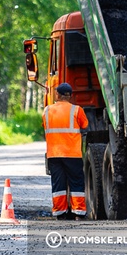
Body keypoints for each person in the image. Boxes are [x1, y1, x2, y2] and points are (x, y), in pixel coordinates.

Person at [43, 82, 89, 220]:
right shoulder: (77, 110)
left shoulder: (47, 110)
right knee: (76, 182)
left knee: (58, 183)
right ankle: (78, 213)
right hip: (72, 154)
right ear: (70, 96)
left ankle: (60, 213)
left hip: (54, 154)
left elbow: (44, 125)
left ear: (57, 95)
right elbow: (85, 125)